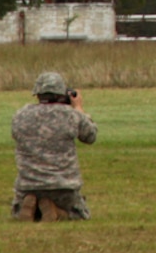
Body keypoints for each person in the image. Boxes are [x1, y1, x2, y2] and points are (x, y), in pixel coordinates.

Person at [9, 72, 97, 222]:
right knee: (80, 214)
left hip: (28, 185)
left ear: (37, 94)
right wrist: (79, 108)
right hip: (63, 185)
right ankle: (56, 210)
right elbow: (90, 136)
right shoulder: (70, 115)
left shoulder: (20, 115)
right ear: (62, 93)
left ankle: (33, 207)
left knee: (17, 211)